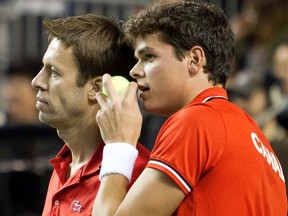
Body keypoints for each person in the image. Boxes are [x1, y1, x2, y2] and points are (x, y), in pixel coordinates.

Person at [93, 1, 287, 215]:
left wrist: (118, 144)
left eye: (149, 57)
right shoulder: (252, 132)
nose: (134, 71)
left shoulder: (196, 120)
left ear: (194, 59)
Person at [31, 14, 150, 215]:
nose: (37, 81)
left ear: (97, 88)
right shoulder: (65, 163)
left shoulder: (136, 174)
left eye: (53, 72)